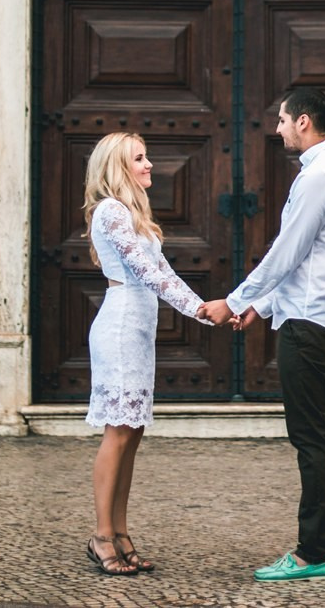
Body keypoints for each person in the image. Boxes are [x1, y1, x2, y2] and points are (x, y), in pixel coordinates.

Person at [199, 86, 325, 583]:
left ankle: (312, 552)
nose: (276, 129)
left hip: (309, 324)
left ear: (305, 122)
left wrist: (234, 299)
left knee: (311, 439)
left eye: (282, 120)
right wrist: (262, 304)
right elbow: (310, 257)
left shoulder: (320, 177)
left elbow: (287, 252)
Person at [83, 131, 210, 576]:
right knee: (117, 434)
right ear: (118, 167)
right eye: (139, 158)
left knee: (132, 435)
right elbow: (147, 274)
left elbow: (165, 271)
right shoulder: (111, 210)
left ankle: (119, 531)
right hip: (119, 329)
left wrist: (206, 309)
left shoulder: (133, 213)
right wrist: (200, 309)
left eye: (146, 157)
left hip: (138, 330)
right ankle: (101, 535)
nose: (149, 164)